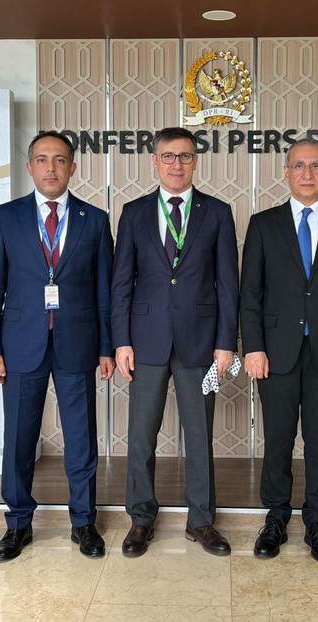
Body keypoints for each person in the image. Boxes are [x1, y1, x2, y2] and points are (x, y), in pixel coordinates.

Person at [0, 131, 115, 562]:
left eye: (59, 160)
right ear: (30, 167)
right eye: (42, 159)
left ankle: (84, 522)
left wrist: (107, 346)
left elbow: (105, 291)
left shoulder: (96, 219)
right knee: (19, 438)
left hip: (78, 342)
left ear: (73, 168)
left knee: (81, 438)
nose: (51, 168)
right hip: (20, 344)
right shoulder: (7, 217)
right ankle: (18, 523)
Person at [111, 127, 239, 557]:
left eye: (184, 156)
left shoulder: (217, 212)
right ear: (154, 161)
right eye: (168, 156)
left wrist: (226, 342)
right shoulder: (133, 212)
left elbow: (228, 284)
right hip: (144, 341)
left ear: (195, 161)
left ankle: (201, 520)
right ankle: (140, 519)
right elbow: (121, 282)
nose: (176, 164)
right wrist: (121, 341)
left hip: (200, 342)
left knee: (199, 436)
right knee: (141, 436)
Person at [240, 138, 318, 564]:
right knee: (277, 439)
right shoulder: (263, 224)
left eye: (316, 166)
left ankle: (316, 520)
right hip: (275, 353)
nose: (307, 173)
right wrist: (253, 347)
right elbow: (250, 295)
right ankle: (276, 517)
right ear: (286, 172)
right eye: (299, 165)